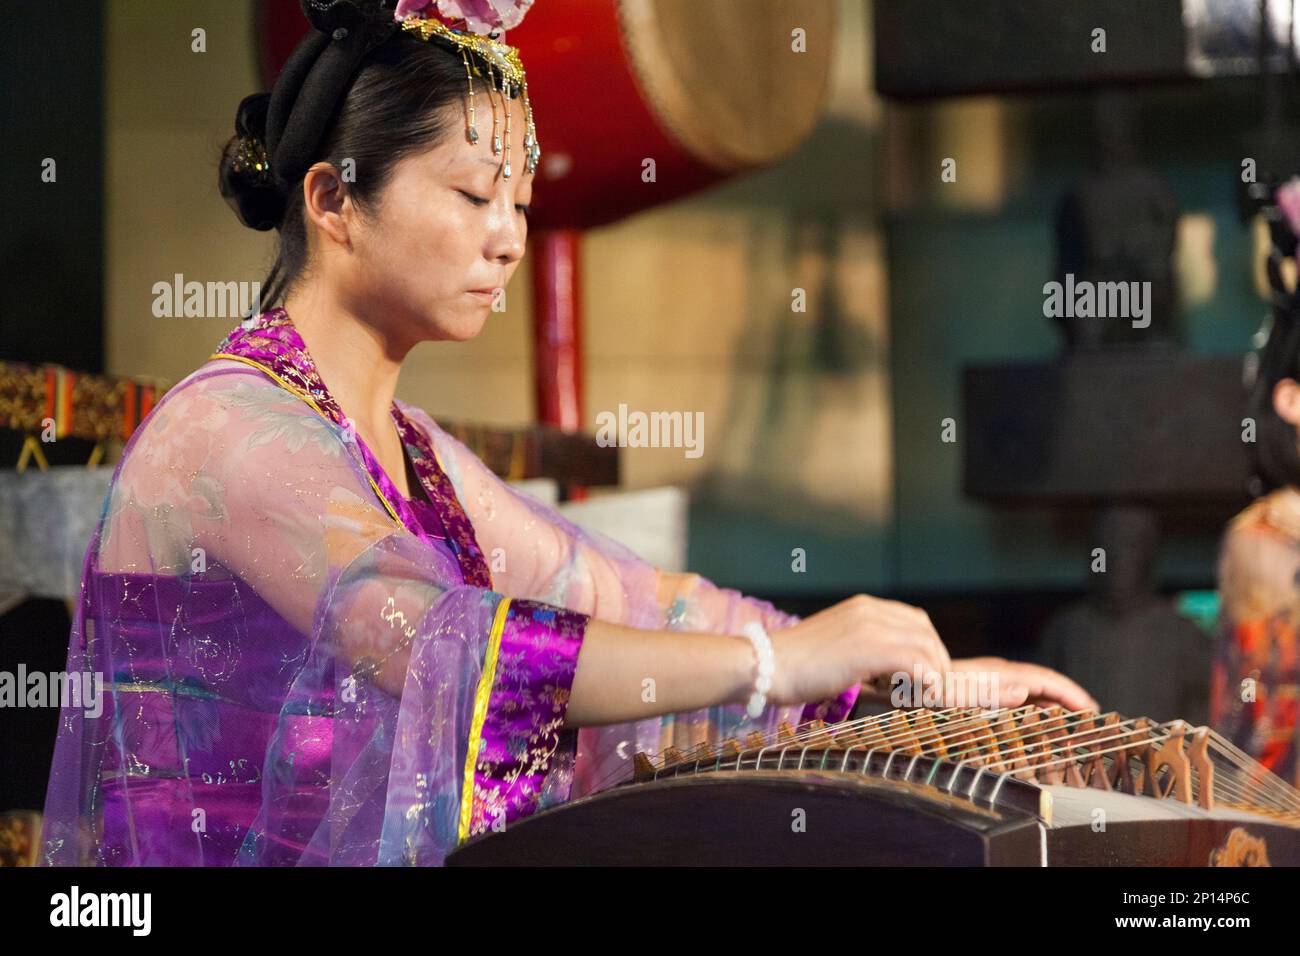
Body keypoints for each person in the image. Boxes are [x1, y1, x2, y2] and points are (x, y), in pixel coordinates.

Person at [39, 0, 1093, 866]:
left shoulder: (406, 446)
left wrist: (904, 686)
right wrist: (779, 659)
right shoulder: (229, 429)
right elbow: (444, 648)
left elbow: (631, 597)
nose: (507, 237)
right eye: (470, 193)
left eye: (520, 200)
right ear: (334, 199)